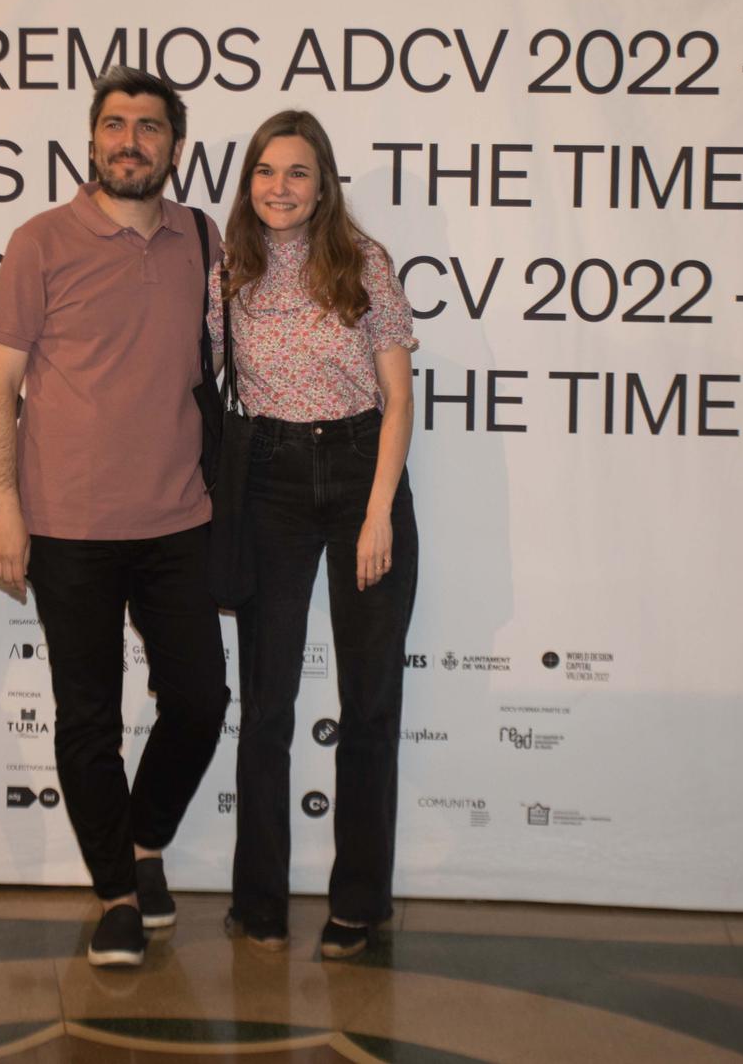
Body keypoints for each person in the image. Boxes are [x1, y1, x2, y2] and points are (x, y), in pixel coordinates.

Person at [0, 65, 230, 969]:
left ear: (174, 145)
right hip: (68, 526)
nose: (132, 139)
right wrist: (5, 506)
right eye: (116, 124)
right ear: (91, 140)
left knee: (200, 699)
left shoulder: (201, 239)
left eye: (151, 127)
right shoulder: (40, 240)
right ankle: (118, 892)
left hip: (177, 517)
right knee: (88, 715)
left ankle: (145, 839)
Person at [210, 110, 419, 959]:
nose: (280, 188)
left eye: (298, 172)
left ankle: (359, 902)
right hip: (268, 478)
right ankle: (258, 901)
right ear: (248, 180)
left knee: (368, 702)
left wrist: (377, 511)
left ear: (324, 181)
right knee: (266, 705)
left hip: (364, 471)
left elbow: (400, 398)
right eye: (266, 171)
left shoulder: (364, 263)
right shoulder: (230, 268)